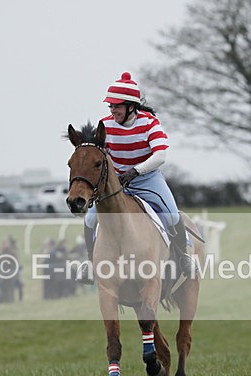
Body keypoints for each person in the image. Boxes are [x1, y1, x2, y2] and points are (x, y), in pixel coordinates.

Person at [76, 71, 195, 284]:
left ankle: (183, 256)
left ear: (131, 106)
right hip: (115, 184)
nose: (113, 110)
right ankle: (89, 262)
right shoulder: (105, 124)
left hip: (147, 179)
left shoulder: (149, 123)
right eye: (110, 106)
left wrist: (135, 171)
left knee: (172, 215)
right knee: (91, 218)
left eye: (117, 106)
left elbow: (161, 155)